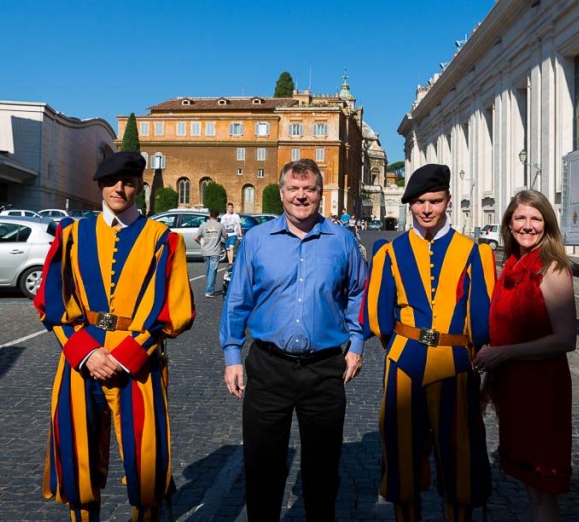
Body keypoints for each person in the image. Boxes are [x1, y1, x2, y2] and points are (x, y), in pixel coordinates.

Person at [34, 151, 196, 521]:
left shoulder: (163, 239)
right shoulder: (71, 235)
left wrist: (126, 356)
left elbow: (173, 309)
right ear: (100, 185)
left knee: (146, 458)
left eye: (127, 182)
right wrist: (86, 353)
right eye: (111, 182)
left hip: (137, 362)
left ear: (139, 185)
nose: (119, 189)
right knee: (78, 456)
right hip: (81, 359)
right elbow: (52, 301)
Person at [220, 158, 368, 521]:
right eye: (293, 189)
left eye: (309, 189)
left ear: (320, 193)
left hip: (324, 369)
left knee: (322, 469)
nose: (301, 196)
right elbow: (237, 299)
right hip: (269, 367)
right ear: (282, 192)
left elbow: (358, 294)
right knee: (262, 466)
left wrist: (357, 345)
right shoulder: (256, 240)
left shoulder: (342, 241)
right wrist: (232, 355)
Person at [363, 163, 495, 522]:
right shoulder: (389, 252)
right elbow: (376, 314)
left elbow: (482, 315)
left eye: (434, 201)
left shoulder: (473, 252)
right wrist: (399, 345)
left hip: (455, 363)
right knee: (401, 450)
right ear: (410, 205)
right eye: (419, 201)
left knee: (460, 451)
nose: (426, 209)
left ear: (447, 201)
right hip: (404, 361)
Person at [474, 190, 577, 522]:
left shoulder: (553, 268)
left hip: (542, 390)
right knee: (531, 488)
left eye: (535, 218)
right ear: (509, 223)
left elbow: (565, 339)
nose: (527, 225)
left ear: (547, 224)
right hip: (515, 388)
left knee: (542, 487)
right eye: (520, 217)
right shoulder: (511, 266)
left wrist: (503, 354)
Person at [196, 208, 227, 298]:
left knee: (208, 270)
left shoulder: (203, 225)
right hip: (215, 251)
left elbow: (196, 237)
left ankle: (210, 286)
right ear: (217, 216)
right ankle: (209, 290)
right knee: (212, 271)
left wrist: (201, 243)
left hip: (205, 251)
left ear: (210, 215)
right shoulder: (220, 225)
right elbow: (225, 236)